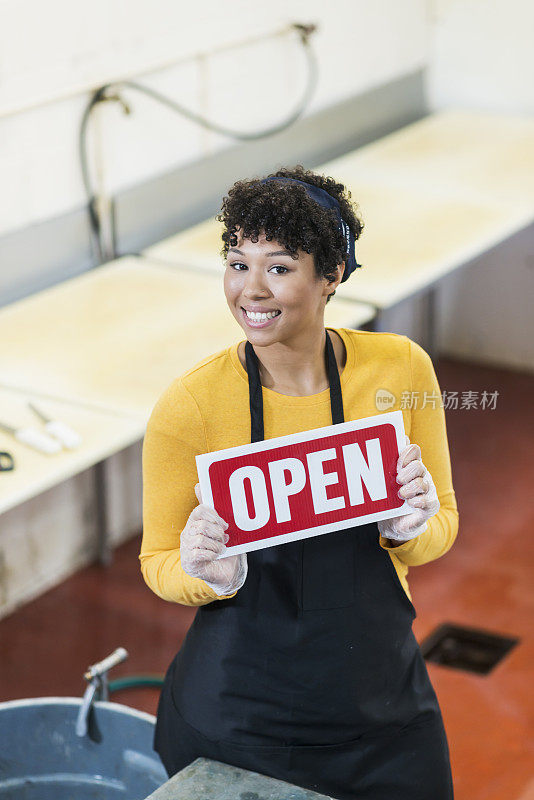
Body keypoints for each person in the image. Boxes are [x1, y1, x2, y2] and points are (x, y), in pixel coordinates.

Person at [140, 165, 459, 800]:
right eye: (237, 263)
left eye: (279, 268)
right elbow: (157, 561)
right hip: (240, 723)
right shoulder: (192, 405)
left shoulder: (399, 370)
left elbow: (443, 522)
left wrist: (409, 529)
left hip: (382, 714)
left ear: (331, 276)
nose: (250, 290)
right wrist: (206, 573)